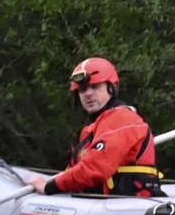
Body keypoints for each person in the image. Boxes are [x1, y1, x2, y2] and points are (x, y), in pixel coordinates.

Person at [26, 57, 164, 197]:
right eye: (82, 89)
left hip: (129, 207)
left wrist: (49, 187)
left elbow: (95, 168)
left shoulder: (122, 119)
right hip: (105, 205)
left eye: (95, 86)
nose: (88, 94)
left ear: (111, 88)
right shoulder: (93, 128)